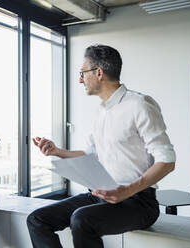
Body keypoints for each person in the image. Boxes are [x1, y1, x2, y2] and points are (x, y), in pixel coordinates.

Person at [26, 45, 176, 248]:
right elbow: (90, 154)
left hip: (138, 202)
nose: (80, 79)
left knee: (82, 220)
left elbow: (167, 161)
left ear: (98, 73)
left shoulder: (139, 105)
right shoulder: (101, 111)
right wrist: (57, 151)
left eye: (82, 73)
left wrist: (126, 191)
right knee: (37, 219)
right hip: (101, 195)